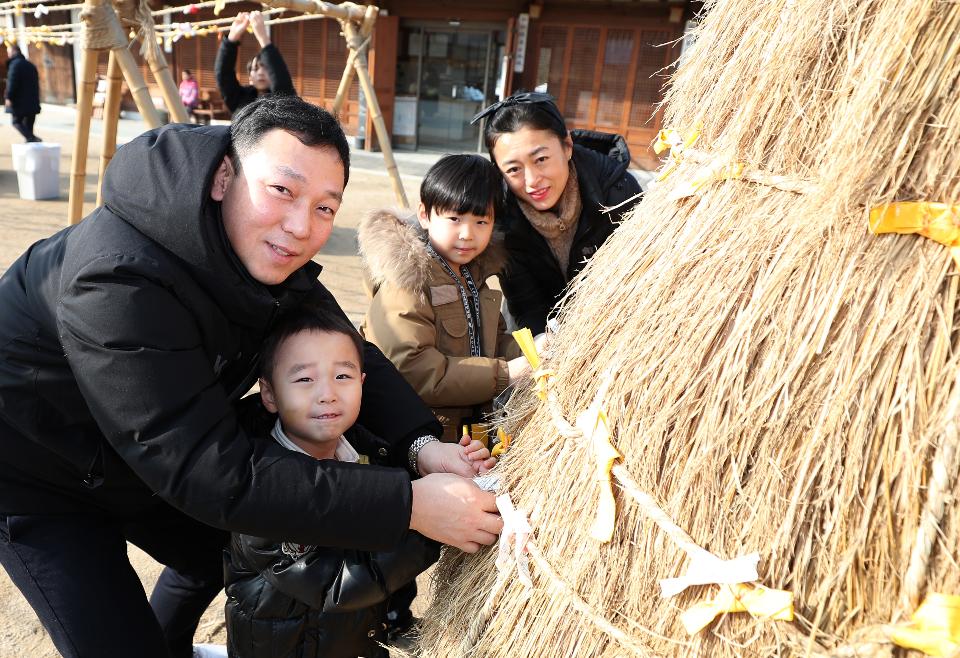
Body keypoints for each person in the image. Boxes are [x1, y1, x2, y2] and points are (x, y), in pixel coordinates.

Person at [0, 95, 502, 658]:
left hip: (152, 446)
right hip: (38, 470)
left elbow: (348, 352)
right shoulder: (115, 278)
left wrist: (422, 446)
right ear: (223, 178)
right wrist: (409, 504)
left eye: (325, 208)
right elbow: (209, 474)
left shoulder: (265, 256)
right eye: (282, 191)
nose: (299, 228)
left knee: (224, 550)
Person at [224, 307, 444, 658]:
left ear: (363, 384)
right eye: (304, 380)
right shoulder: (260, 488)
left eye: (343, 376)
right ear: (269, 394)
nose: (327, 393)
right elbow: (335, 586)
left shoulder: (370, 450)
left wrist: (449, 478)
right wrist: (434, 528)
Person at [359, 154, 528, 442]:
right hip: (415, 438)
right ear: (425, 215)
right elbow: (413, 369)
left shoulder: (474, 274)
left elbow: (493, 340)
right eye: (454, 218)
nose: (467, 234)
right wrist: (505, 373)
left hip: (462, 436)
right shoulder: (408, 279)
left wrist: (530, 352)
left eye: (481, 221)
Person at [472, 92, 642, 335]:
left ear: (567, 146)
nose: (532, 181)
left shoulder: (618, 192)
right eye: (513, 169)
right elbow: (526, 304)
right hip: (543, 333)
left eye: (541, 159)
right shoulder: (502, 217)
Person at [216, 11, 295, 115]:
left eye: (266, 68)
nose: (261, 73)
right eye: (255, 69)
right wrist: (232, 38)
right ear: (250, 78)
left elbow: (281, 82)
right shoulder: (238, 98)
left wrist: (263, 38)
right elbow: (223, 74)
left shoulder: (282, 102)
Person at [4, 43, 41, 143]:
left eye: (8, 52)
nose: (8, 55)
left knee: (16, 122)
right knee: (28, 127)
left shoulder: (15, 65)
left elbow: (12, 82)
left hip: (20, 102)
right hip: (32, 102)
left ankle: (32, 139)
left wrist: (8, 97)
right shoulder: (30, 65)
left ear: (13, 51)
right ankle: (31, 142)